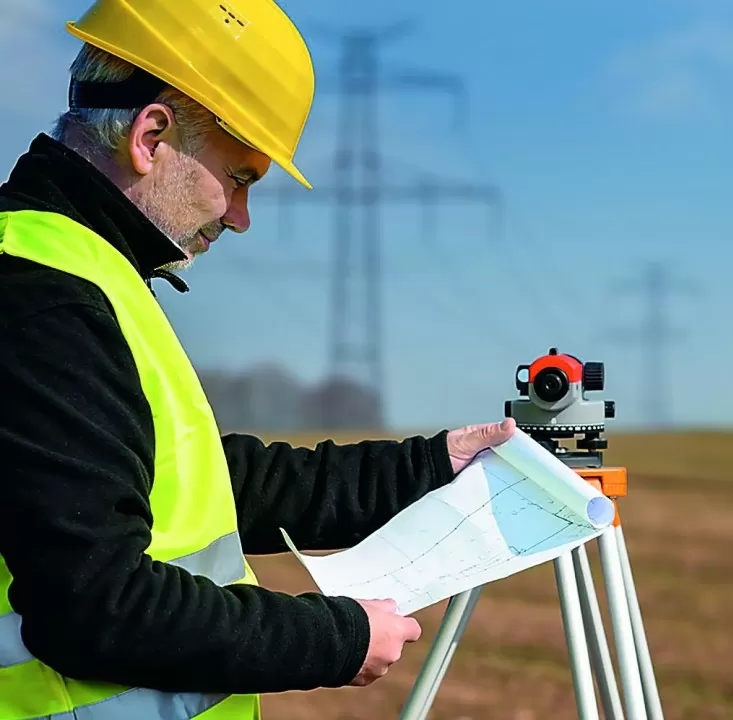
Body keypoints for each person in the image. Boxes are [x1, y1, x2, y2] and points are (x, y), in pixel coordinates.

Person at [0, 1, 515, 717]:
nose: (240, 217)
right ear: (152, 135)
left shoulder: (78, 270)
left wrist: (430, 467)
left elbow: (210, 480)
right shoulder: (43, 298)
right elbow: (97, 602)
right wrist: (331, 636)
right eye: (240, 177)